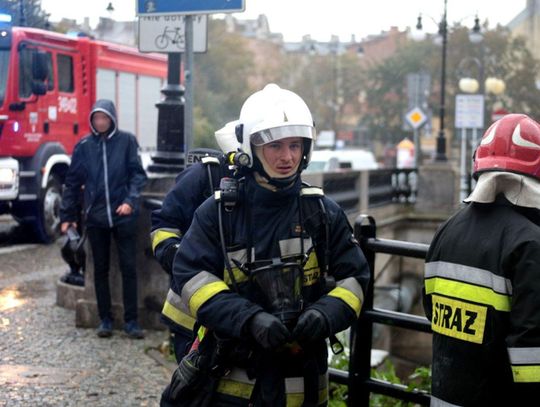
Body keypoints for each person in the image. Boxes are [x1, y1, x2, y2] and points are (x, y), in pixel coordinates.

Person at [161, 84, 370, 406]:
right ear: (251, 148)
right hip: (231, 376)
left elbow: (355, 279)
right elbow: (191, 278)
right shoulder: (219, 213)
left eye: (294, 145)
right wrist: (249, 319)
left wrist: (326, 314)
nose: (286, 157)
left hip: (303, 376)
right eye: (274, 146)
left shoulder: (322, 212)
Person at [423, 113, 540, 406]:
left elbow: (430, 306)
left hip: (446, 394)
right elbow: (531, 344)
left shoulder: (446, 229)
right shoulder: (530, 242)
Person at [60, 99, 148, 339]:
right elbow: (72, 183)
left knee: (129, 267)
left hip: (123, 217)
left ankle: (131, 321)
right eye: (97, 118)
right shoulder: (84, 146)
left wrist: (130, 201)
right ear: (92, 121)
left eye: (105, 118)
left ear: (112, 119)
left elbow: (138, 175)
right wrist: (67, 216)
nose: (100, 122)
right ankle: (105, 319)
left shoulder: (127, 142)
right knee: (99, 269)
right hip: (96, 218)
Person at [151, 123, 237, 361]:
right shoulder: (203, 176)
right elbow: (163, 224)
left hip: (234, 318)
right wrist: (179, 258)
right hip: (188, 317)